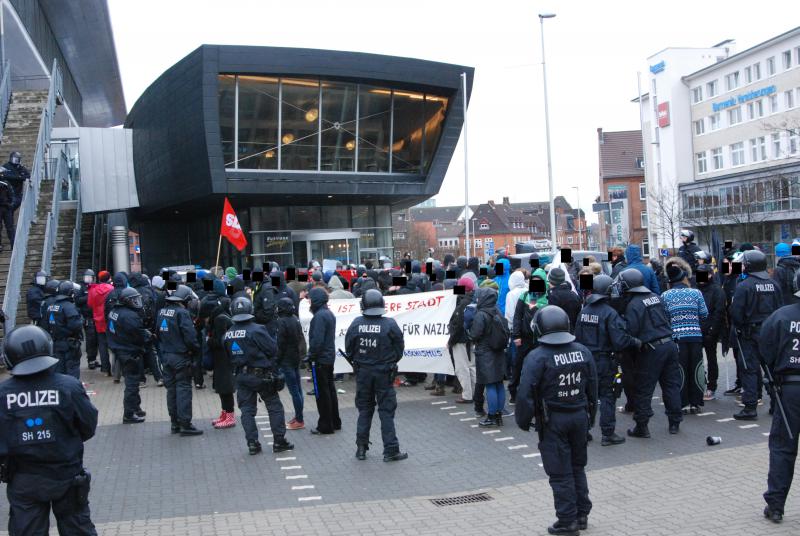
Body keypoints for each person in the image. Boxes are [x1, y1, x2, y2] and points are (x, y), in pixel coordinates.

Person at [0, 324, 98, 535]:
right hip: (66, 472)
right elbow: (88, 426)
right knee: (77, 529)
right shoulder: (69, 386)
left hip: (23, 478)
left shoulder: (2, 394)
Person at [516, 306, 597, 535]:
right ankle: (582, 514)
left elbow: (526, 393)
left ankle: (567, 521)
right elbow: (593, 386)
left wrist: (523, 421)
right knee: (577, 466)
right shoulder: (582, 351)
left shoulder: (537, 356)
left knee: (560, 473)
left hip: (554, 420)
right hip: (580, 415)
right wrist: (592, 414)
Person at [613, 269, 683, 437]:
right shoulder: (656, 297)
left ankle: (642, 426)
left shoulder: (633, 305)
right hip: (670, 345)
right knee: (671, 386)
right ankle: (674, 423)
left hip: (652, 349)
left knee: (644, 388)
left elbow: (632, 330)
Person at [574, 274, 641, 446]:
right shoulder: (609, 313)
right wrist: (636, 342)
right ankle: (608, 433)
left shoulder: (583, 312)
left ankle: (584, 432)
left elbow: (577, 338)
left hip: (585, 361)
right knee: (607, 397)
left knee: (586, 397)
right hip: (604, 361)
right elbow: (619, 341)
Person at [223, 297, 294, 455]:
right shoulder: (257, 329)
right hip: (261, 376)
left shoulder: (227, 334)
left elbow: (228, 356)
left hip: (241, 376)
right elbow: (273, 349)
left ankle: (252, 443)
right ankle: (279, 441)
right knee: (274, 406)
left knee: (247, 410)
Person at [344, 289, 407, 461]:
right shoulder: (390, 324)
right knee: (386, 411)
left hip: (363, 373)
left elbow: (349, 349)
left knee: (364, 409)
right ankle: (391, 450)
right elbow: (399, 349)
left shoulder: (356, 323)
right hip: (384, 374)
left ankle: (361, 448)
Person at [759, 271, 800, 523]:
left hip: (790, 389)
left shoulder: (780, 317)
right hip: (789, 387)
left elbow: (765, 351)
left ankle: (776, 506)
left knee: (783, 448)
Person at [731, 250, 783, 421]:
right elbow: (780, 309)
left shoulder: (744, 286)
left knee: (750, 370)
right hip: (771, 334)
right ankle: (776, 404)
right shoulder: (774, 284)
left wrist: (738, 329)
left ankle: (750, 407)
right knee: (772, 370)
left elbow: (736, 314)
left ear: (750, 265)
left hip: (750, 334)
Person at [662, 258, 708, 414]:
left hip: (677, 339)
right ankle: (696, 401)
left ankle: (682, 401)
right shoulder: (696, 293)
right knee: (696, 368)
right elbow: (704, 314)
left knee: (680, 370)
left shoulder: (665, 296)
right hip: (695, 336)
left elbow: (665, 318)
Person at [156, 285, 203, 436]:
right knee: (183, 389)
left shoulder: (162, 311)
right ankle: (185, 424)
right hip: (181, 356)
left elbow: (157, 333)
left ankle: (174, 423)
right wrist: (196, 350)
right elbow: (190, 337)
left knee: (171, 390)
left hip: (166, 356)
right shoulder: (182, 313)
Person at [466, 287, 508, 427]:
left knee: (490, 384)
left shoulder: (481, 314)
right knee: (499, 384)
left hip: (485, 352)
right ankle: (499, 415)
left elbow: (475, 334)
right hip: (499, 352)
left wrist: (469, 331)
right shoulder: (498, 311)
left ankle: (491, 416)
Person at [106, 288, 149, 424]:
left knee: (133, 382)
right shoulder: (130, 316)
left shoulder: (114, 311)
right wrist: (147, 337)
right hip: (129, 351)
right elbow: (138, 334)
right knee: (132, 383)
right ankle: (129, 414)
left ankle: (136, 408)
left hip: (120, 349)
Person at [307, 287, 341, 434]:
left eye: (310, 299)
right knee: (330, 390)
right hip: (328, 356)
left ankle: (325, 425)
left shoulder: (319, 316)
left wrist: (311, 356)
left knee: (322, 393)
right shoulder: (328, 313)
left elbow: (317, 340)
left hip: (320, 359)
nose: (309, 302)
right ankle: (335, 421)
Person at [206, 280, 235, 429]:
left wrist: (209, 341)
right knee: (221, 386)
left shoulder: (220, 317)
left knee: (225, 387)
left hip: (223, 357)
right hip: (221, 357)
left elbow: (221, 340)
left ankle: (229, 415)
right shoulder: (222, 311)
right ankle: (225, 412)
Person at [697, 264, 726, 400]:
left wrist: (712, 330)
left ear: (710, 275)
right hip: (696, 330)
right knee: (697, 359)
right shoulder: (695, 289)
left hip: (709, 330)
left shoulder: (716, 290)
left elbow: (719, 312)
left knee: (711, 358)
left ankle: (711, 386)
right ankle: (700, 382)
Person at [276, 297, 306, 430]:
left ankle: (299, 420)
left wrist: (277, 360)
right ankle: (299, 416)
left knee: (294, 391)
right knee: (298, 389)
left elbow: (280, 344)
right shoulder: (295, 319)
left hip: (286, 360)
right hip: (295, 357)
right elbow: (301, 338)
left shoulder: (281, 322)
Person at [46, 281, 83, 379]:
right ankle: (72, 393)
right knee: (72, 369)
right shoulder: (69, 306)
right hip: (69, 344)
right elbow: (75, 326)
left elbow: (46, 324)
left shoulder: (51, 306)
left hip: (56, 343)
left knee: (59, 370)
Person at [449, 276, 477, 404]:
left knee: (462, 367)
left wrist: (451, 341)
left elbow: (457, 325)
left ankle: (467, 395)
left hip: (460, 339)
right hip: (471, 338)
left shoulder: (462, 304)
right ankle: (476, 392)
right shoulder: (474, 300)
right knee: (472, 366)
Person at [87, 271, 113, 375]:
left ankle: (106, 368)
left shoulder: (93, 290)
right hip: (110, 319)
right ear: (109, 278)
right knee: (114, 343)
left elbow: (89, 304)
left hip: (98, 320)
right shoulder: (111, 289)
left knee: (102, 345)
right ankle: (117, 368)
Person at [74, 270, 100, 371]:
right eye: (86, 277)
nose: (88, 279)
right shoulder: (81, 288)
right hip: (87, 317)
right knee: (90, 339)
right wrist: (89, 296)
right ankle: (90, 360)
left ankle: (94, 358)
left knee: (96, 340)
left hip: (96, 316)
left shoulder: (96, 286)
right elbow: (78, 300)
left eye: (90, 277)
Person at [546, 267, 581, 333]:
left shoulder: (554, 296)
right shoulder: (574, 294)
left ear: (551, 281)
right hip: (573, 331)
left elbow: (551, 316)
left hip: (558, 332)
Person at [0, 175, 14, 251]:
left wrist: (11, 203)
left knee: (10, 227)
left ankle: (13, 244)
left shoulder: (6, 183)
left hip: (6, 208)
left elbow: (11, 194)